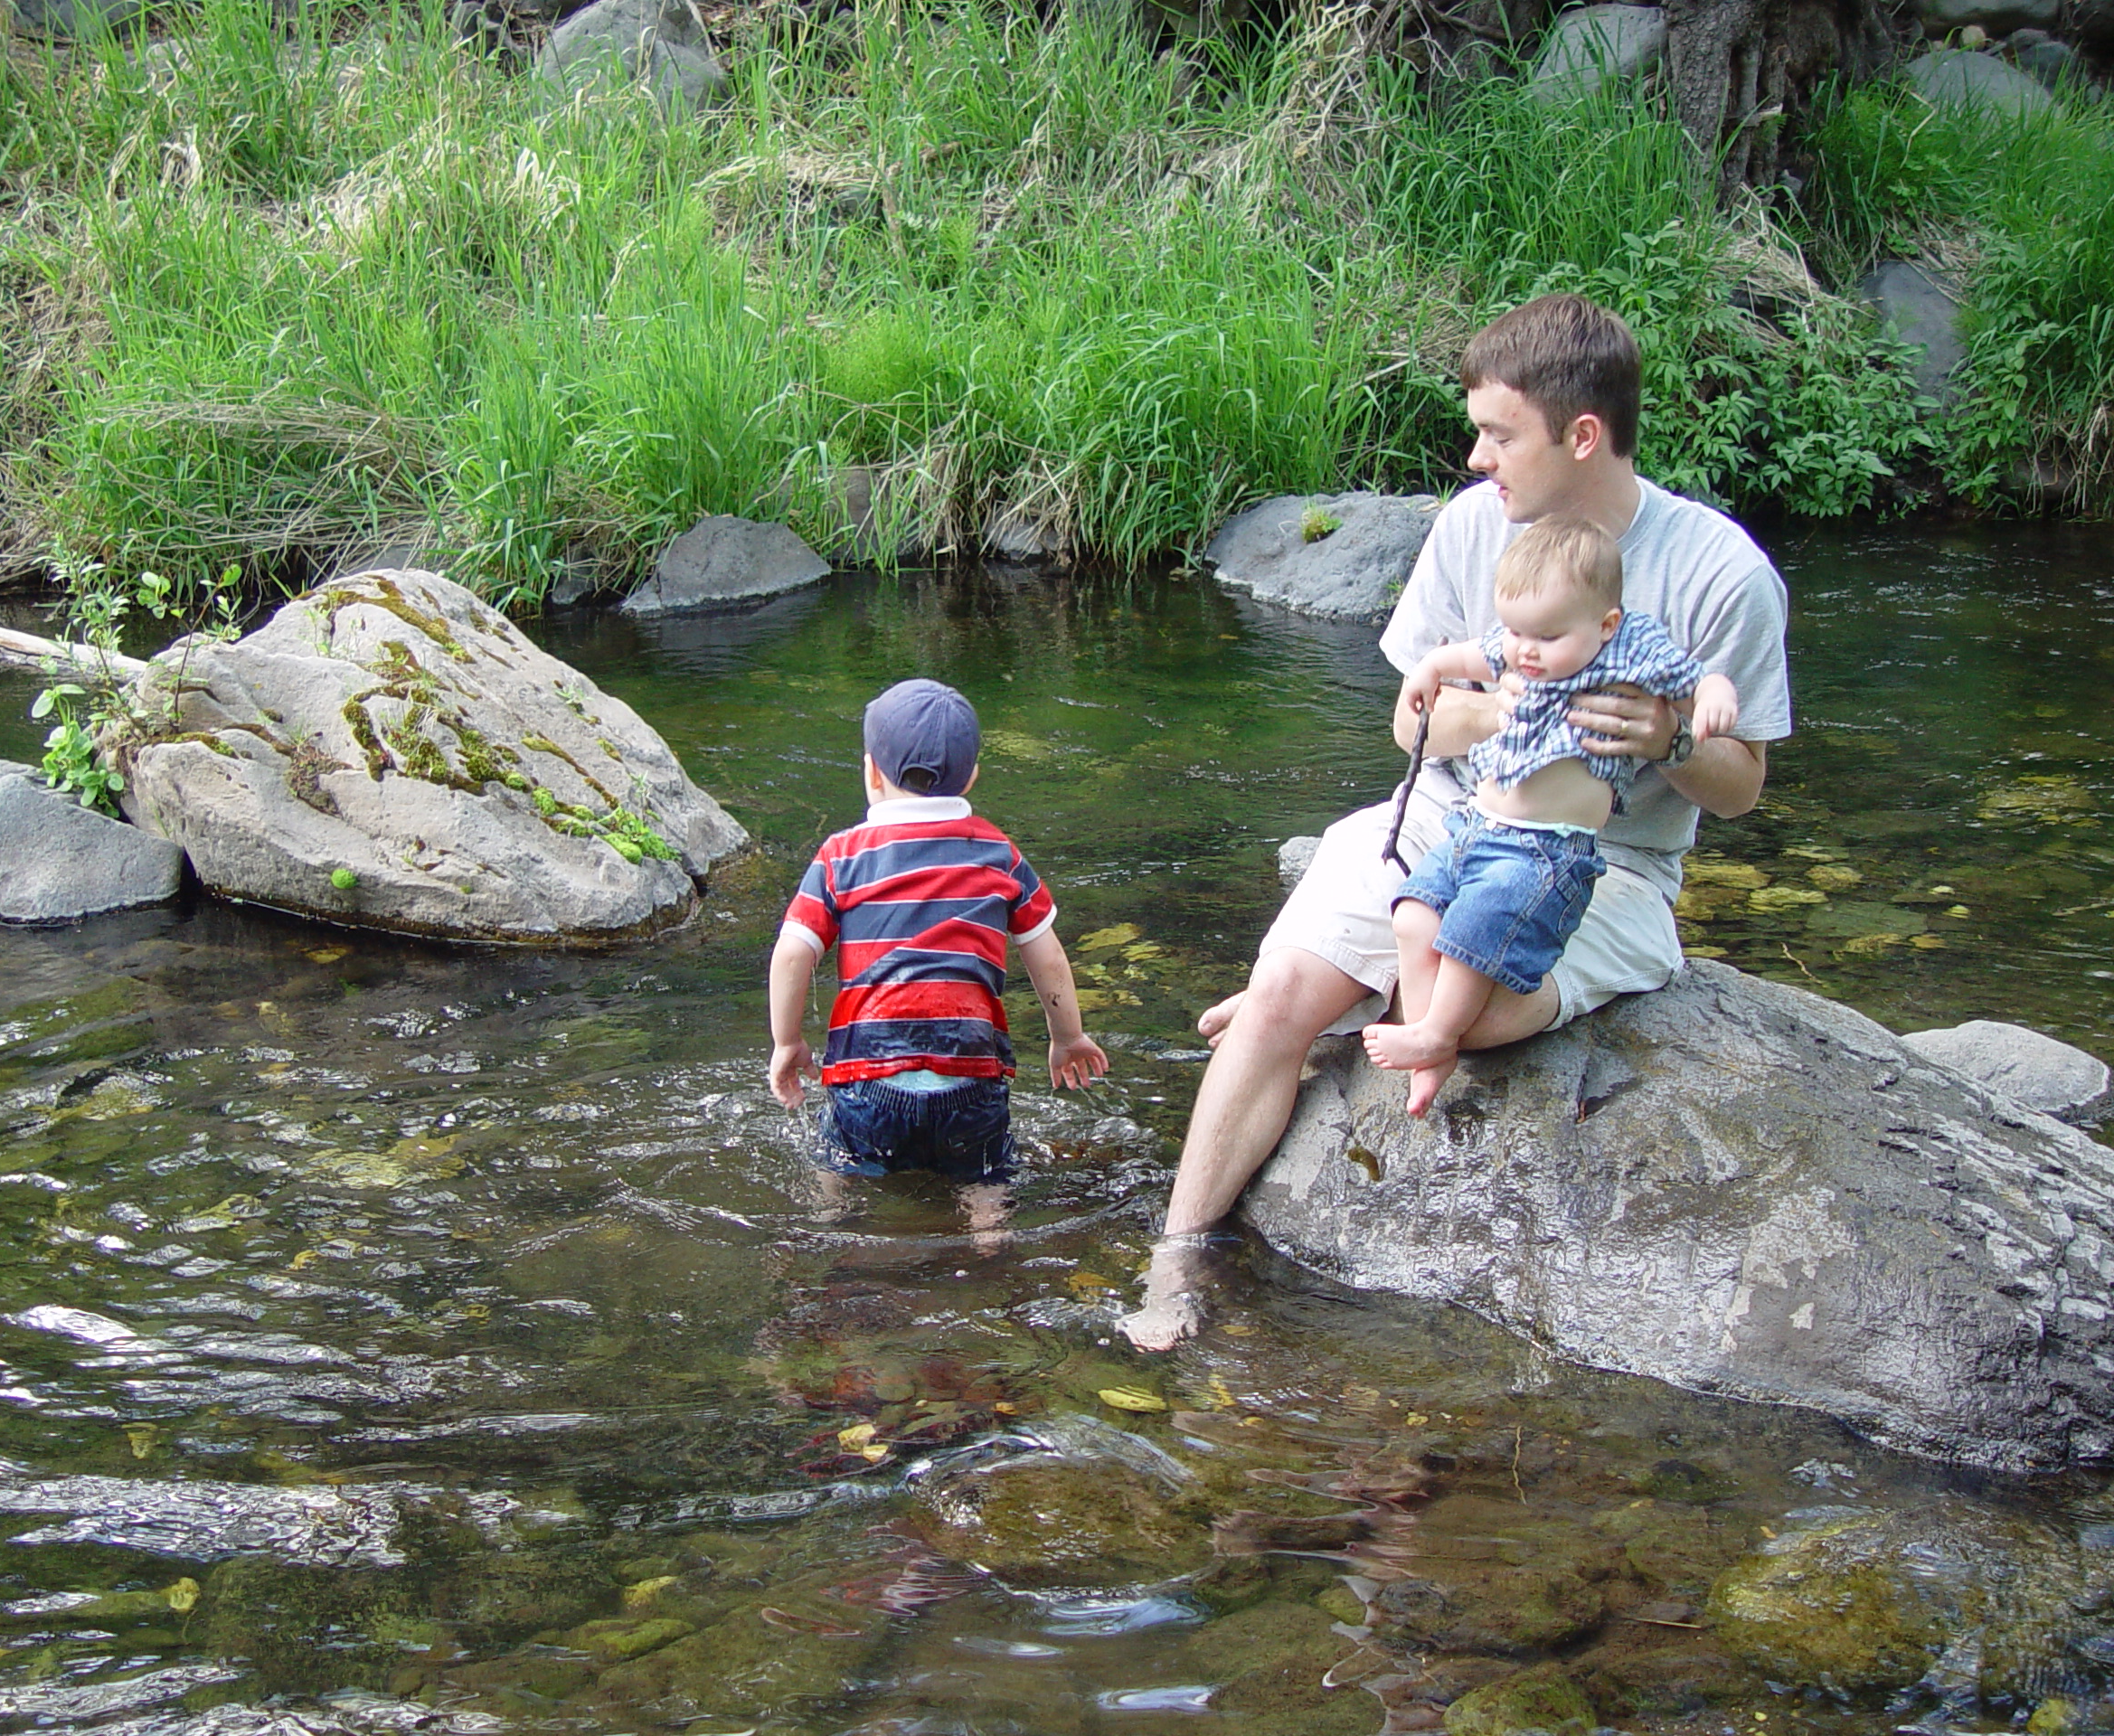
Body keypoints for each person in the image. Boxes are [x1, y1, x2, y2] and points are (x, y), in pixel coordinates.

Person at [1118, 293, 1791, 1352]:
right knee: (1289, 992)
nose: (1476, 458)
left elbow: (1742, 785)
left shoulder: (1721, 574)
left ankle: (1334, 998)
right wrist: (1492, 712)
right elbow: (1411, 728)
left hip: (1603, 862)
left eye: (1496, 433)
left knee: (1472, 1023)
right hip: (1452, 810)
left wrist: (1666, 739)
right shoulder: (1475, 529)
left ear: (1580, 436)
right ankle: (1177, 1260)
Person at [1363, 515, 1740, 1114]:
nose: (1525, 651)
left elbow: (1697, 681)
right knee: (1413, 916)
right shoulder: (1522, 642)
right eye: (1516, 631)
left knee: (1472, 935)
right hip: (1475, 827)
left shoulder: (1630, 652)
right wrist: (1430, 670)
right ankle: (1432, 1050)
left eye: (1546, 637)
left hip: (1545, 852)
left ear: (1606, 624)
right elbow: (1476, 653)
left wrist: (1715, 699)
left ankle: (1436, 1034)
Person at [767, 678, 1109, 1232]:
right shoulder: (998, 854)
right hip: (970, 1079)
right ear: (972, 776)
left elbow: (791, 955)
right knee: (985, 1177)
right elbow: (1045, 955)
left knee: (836, 1167)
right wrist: (1067, 1036)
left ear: (871, 772)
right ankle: (989, 1244)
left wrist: (788, 1042)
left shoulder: (841, 856)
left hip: (868, 1081)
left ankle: (828, 1233)